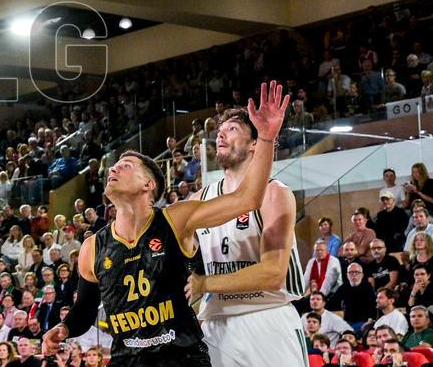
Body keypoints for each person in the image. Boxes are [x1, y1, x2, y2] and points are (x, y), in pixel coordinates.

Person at [43, 82, 289, 366]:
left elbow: (248, 198)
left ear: (148, 185)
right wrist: (65, 328)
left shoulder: (175, 219)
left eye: (125, 166)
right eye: (114, 166)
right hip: (127, 361)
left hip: (182, 358)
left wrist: (266, 138)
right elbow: (85, 310)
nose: (114, 168)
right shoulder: (92, 247)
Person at [179, 86, 307, 367]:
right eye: (220, 130)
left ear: (254, 144)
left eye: (233, 129)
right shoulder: (199, 199)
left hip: (267, 317)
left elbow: (273, 273)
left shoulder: (274, 193)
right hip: (216, 324)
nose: (220, 134)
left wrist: (204, 283)